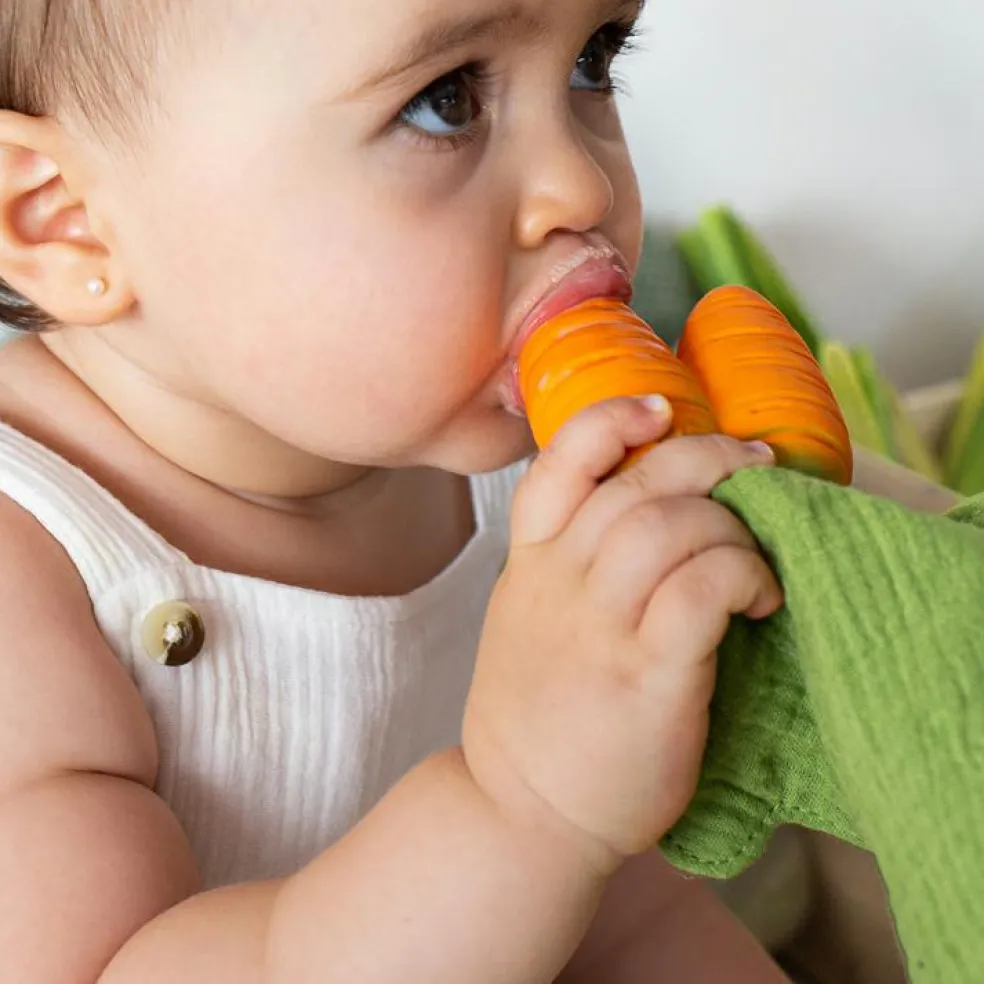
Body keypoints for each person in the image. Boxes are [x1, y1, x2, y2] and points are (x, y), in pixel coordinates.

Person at [0, 1, 789, 981]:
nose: (581, 184)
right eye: (443, 101)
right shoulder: (29, 570)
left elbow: (635, 913)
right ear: (68, 223)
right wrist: (527, 810)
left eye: (593, 62)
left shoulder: (534, 462)